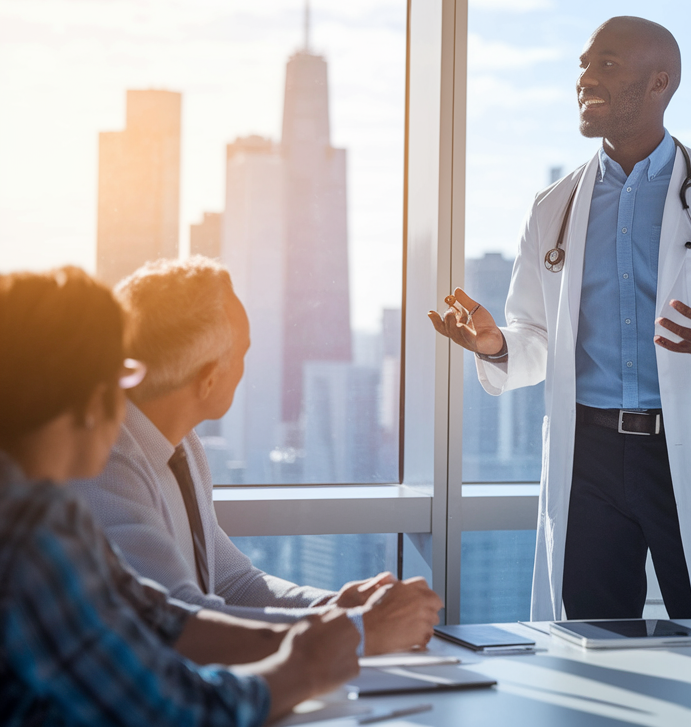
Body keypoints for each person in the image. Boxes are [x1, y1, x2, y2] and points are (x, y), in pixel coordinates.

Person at [430, 16, 691, 620]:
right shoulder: (553, 207)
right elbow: (536, 339)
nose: (584, 78)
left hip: (685, 451)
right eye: (582, 64)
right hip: (588, 456)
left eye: (605, 64)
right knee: (588, 638)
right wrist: (497, 344)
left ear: (660, 82)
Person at [0, 266, 361, 725]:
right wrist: (305, 667)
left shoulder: (52, 508)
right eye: (122, 377)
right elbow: (169, 709)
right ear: (93, 397)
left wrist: (336, 624)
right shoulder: (29, 527)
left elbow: (159, 617)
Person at [72, 257, 441, 655]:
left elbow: (232, 583)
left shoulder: (183, 446)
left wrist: (331, 608)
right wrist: (357, 631)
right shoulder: (106, 465)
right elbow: (181, 621)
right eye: (243, 352)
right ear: (209, 378)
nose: (246, 370)